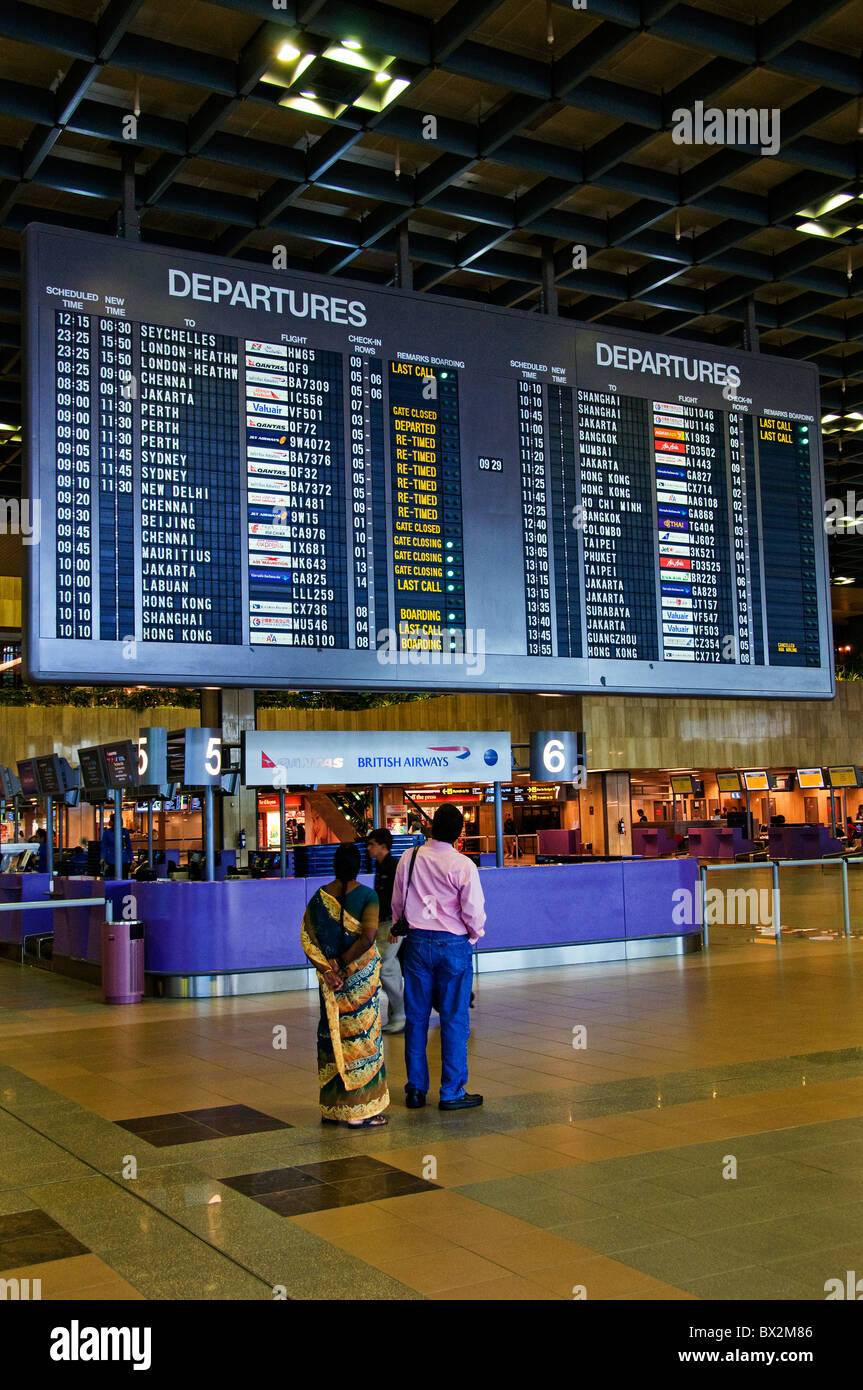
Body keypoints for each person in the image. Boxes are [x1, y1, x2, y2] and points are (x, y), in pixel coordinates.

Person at [392, 804, 486, 1112]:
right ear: (459, 834)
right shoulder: (463, 865)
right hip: (453, 946)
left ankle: (416, 1089)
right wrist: (473, 935)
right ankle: (452, 1091)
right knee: (454, 1019)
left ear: (430, 828)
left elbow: (398, 900)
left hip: (417, 944)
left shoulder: (410, 857)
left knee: (416, 1018)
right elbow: (473, 910)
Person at [300, 843, 389, 1128]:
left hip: (331, 984)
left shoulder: (319, 898)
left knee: (332, 1036)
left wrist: (328, 969)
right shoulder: (367, 896)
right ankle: (361, 1110)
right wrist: (342, 962)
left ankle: (334, 1108)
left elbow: (307, 938)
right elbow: (368, 937)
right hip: (359, 983)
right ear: (359, 867)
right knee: (363, 1039)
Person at [367, 827, 405, 1035]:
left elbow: (402, 898)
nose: (368, 848)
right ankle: (398, 1015)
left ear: (383, 846)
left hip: (391, 926)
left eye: (372, 844)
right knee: (391, 969)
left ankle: (401, 1014)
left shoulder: (394, 867)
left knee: (385, 969)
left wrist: (397, 928)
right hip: (384, 924)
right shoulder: (380, 866)